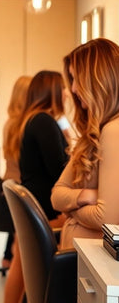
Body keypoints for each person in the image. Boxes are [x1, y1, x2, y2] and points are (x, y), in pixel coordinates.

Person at [4, 70, 69, 303]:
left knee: (19, 269)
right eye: (63, 89)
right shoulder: (44, 121)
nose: (68, 94)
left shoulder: (32, 120)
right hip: (45, 209)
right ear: (53, 92)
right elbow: (60, 171)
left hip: (34, 206)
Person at [51, 38, 119, 250]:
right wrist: (85, 196)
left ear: (98, 81)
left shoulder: (113, 131)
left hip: (93, 268)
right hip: (80, 260)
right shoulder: (94, 134)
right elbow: (57, 194)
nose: (72, 88)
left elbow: (106, 219)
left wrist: (71, 210)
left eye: (76, 79)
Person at [0, 75, 31, 269]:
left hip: (8, 185)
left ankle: (7, 257)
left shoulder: (9, 123)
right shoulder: (26, 126)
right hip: (19, 187)